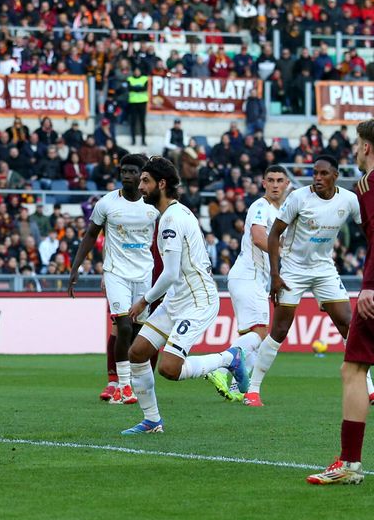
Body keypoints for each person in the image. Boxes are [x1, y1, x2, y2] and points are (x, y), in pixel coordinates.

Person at [123, 157, 249, 435]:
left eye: (146, 181)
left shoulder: (172, 219)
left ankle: (228, 359)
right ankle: (152, 421)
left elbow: (169, 274)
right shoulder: (172, 214)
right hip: (177, 300)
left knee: (169, 368)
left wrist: (143, 300)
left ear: (162, 184)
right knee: (138, 352)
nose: (140, 186)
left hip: (197, 301)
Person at [251, 155, 372, 405]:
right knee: (280, 330)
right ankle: (252, 390)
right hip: (293, 270)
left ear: (335, 176)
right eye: (315, 173)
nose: (317, 178)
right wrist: (275, 274)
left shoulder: (349, 200)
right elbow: (274, 235)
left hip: (324, 269)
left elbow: (368, 232)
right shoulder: (298, 198)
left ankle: (368, 387)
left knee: (349, 324)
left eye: (323, 174)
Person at [308, 121, 374, 484]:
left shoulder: (367, 186)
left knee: (353, 370)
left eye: (356, 144)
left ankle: (349, 465)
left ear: (366, 147)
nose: (353, 149)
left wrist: (370, 286)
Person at [67, 154, 157, 405]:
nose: (127, 176)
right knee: (124, 326)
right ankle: (123, 386)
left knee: (139, 330)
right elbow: (89, 235)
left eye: (132, 171)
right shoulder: (106, 203)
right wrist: (75, 268)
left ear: (143, 175)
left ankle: (136, 383)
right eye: (123, 171)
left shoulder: (153, 205)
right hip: (116, 272)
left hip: (144, 273)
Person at [210, 166, 289, 404]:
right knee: (261, 335)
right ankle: (221, 368)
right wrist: (285, 252)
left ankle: (237, 386)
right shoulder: (260, 206)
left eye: (280, 181)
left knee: (253, 340)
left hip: (253, 279)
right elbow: (258, 237)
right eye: (271, 180)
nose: (275, 184)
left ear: (286, 184)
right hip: (249, 276)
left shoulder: (281, 212)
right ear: (264, 183)